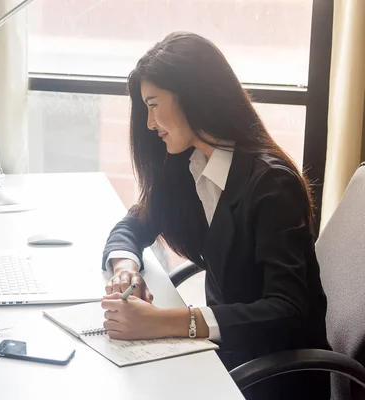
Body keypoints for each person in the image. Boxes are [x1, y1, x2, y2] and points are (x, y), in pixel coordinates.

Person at [100, 31, 331, 400]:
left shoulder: (271, 184)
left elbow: (286, 311)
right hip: (226, 358)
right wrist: (125, 267)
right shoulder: (189, 163)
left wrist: (166, 322)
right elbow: (134, 223)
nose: (149, 123)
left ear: (191, 95)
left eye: (154, 104)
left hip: (271, 376)